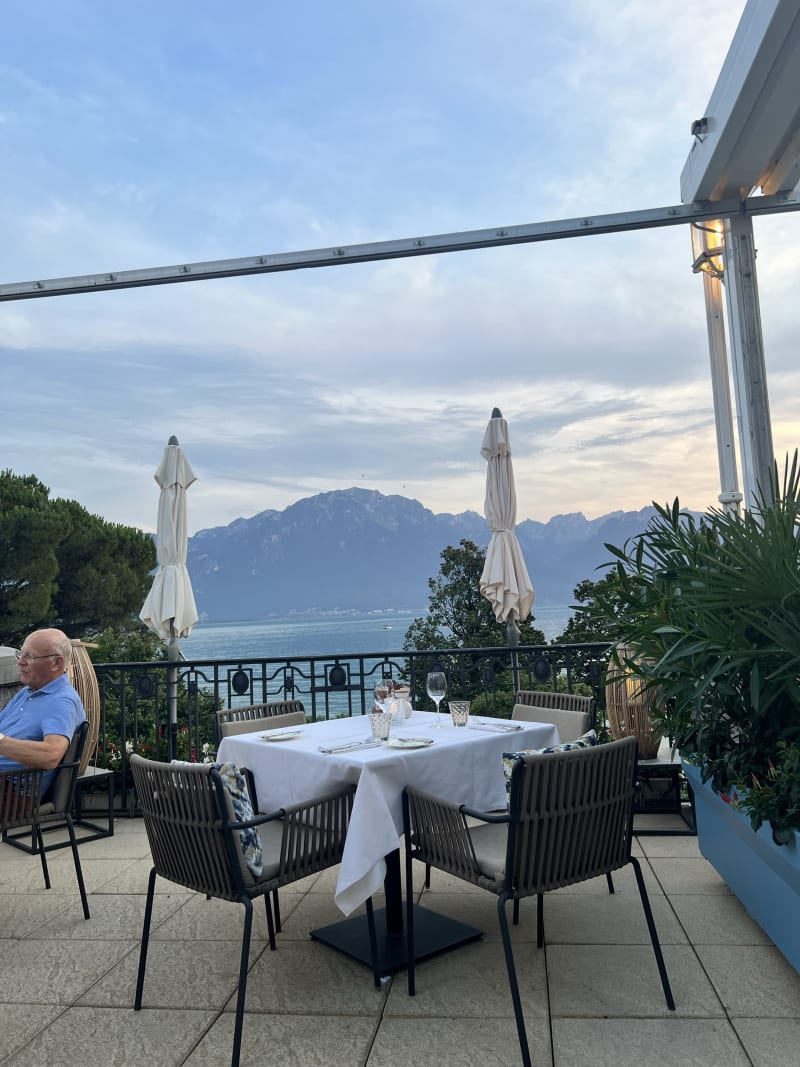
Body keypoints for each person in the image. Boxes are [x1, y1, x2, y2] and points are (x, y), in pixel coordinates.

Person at [0, 628, 86, 794]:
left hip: (13, 795)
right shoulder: (28, 691)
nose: (20, 662)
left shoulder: (61, 702)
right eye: (21, 654)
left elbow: (51, 755)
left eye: (29, 656)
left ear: (57, 663)